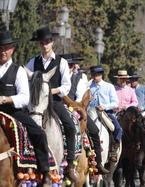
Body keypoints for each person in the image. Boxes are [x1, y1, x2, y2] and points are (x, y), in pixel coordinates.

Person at [26, 27, 78, 182]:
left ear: (52, 43)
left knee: (70, 125)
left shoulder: (61, 62)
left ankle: (70, 164)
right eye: (42, 43)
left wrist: (52, 90)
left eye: (47, 42)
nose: (45, 45)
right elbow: (25, 78)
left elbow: (66, 86)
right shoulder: (32, 62)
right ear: (39, 44)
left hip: (54, 102)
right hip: (36, 103)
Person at [0, 31, 51, 185]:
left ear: (12, 49)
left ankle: (45, 171)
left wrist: (6, 99)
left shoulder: (19, 71)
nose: (3, 51)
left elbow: (24, 97)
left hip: (12, 110)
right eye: (1, 47)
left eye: (7, 48)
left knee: (39, 133)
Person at [61, 54, 110, 174]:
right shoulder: (58, 77)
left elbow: (81, 100)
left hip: (76, 111)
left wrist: (69, 104)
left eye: (69, 66)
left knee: (94, 131)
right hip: (58, 109)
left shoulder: (80, 78)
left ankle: (98, 163)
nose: (68, 68)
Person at [88, 65, 122, 162]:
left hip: (105, 113)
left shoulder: (109, 86)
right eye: (93, 75)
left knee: (118, 128)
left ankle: (114, 150)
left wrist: (105, 106)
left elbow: (115, 103)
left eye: (97, 75)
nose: (95, 77)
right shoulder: (88, 87)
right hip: (91, 112)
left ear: (101, 75)